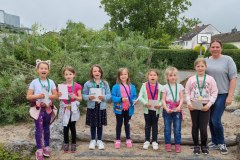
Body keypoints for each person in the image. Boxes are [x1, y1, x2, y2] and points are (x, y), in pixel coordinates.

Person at [206, 39, 237, 155]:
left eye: (217, 47)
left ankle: (222, 143)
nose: (215, 49)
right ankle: (214, 141)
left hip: (222, 94)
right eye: (213, 47)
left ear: (221, 48)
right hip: (208, 95)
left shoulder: (228, 60)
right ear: (209, 49)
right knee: (209, 120)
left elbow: (233, 79)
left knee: (215, 119)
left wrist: (230, 96)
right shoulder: (205, 61)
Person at [185, 58, 218, 155]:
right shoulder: (191, 79)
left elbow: (214, 92)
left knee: (203, 127)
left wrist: (209, 104)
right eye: (198, 66)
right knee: (195, 126)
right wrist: (189, 103)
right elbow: (187, 91)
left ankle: (204, 145)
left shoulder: (210, 79)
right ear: (195, 67)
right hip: (194, 104)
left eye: (202, 66)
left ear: (205, 67)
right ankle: (196, 145)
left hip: (205, 105)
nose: (200, 68)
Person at [26, 59, 58, 160]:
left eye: (45, 68)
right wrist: (38, 95)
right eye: (41, 68)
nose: (43, 70)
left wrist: (49, 96)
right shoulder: (34, 82)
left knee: (47, 129)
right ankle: (39, 149)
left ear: (48, 70)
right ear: (37, 70)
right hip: (38, 109)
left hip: (48, 108)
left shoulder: (51, 82)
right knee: (39, 129)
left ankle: (47, 147)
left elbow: (56, 95)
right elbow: (28, 96)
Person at [82, 64, 111, 150]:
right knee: (92, 124)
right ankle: (92, 140)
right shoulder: (88, 83)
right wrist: (88, 97)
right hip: (92, 107)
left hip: (101, 107)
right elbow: (83, 95)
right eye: (95, 71)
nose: (97, 72)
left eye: (98, 71)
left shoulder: (105, 83)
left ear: (101, 73)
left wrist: (104, 97)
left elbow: (109, 95)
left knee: (100, 125)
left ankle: (99, 141)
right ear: (92, 73)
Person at [58, 66, 82, 153]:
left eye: (70, 74)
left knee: (72, 126)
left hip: (73, 109)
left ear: (74, 75)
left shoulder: (77, 86)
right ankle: (66, 143)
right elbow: (59, 97)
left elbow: (80, 98)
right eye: (66, 74)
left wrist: (75, 96)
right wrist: (59, 95)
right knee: (65, 126)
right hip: (65, 109)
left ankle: (74, 143)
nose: (68, 76)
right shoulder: (62, 86)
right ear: (64, 75)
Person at [112, 68, 137, 149]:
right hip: (119, 109)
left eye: (125, 74)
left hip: (129, 109)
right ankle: (118, 139)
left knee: (127, 124)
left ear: (128, 75)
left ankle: (128, 139)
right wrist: (120, 99)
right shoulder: (115, 86)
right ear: (119, 76)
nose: (123, 76)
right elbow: (113, 97)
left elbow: (134, 96)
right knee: (119, 124)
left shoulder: (132, 86)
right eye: (121, 74)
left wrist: (134, 101)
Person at [138, 69, 162, 150]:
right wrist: (145, 103)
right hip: (147, 109)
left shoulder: (161, 87)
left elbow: (163, 98)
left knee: (155, 125)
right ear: (148, 77)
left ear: (157, 77)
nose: (153, 76)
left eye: (154, 75)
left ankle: (155, 141)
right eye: (151, 75)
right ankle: (147, 140)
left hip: (156, 109)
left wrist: (160, 104)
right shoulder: (144, 86)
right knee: (147, 125)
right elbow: (140, 97)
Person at [162, 67, 184, 153]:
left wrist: (179, 107)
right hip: (167, 110)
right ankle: (168, 144)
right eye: (170, 75)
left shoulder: (180, 86)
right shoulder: (165, 87)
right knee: (167, 128)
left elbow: (182, 98)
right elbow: (163, 99)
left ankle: (177, 144)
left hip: (177, 109)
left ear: (177, 76)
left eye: (174, 75)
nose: (173, 77)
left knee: (177, 128)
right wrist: (166, 108)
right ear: (167, 77)